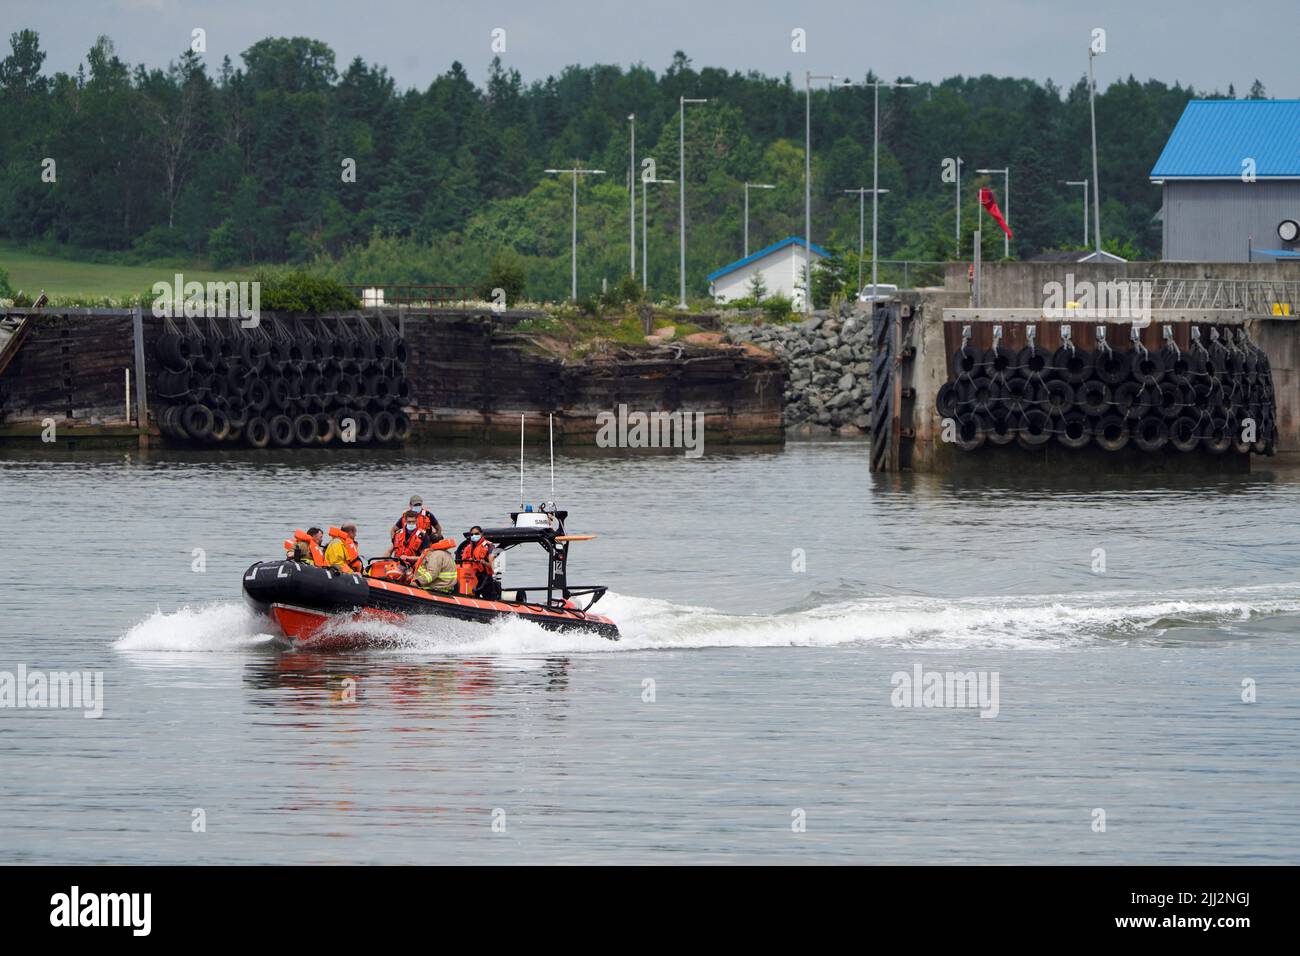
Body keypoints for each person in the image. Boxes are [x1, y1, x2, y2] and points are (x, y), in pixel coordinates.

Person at [455, 526, 495, 596]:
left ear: (481, 534)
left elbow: (492, 565)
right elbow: (464, 562)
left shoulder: (489, 546)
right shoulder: (469, 547)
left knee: (488, 596)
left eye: (476, 534)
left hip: (486, 577)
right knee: (473, 595)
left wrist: (484, 562)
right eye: (472, 534)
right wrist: (470, 561)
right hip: (473, 576)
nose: (474, 536)